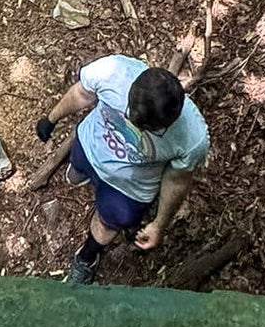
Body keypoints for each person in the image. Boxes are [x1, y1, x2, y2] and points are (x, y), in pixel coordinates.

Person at [35, 54, 209, 286]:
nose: (131, 122)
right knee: (77, 169)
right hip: (88, 146)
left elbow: (176, 180)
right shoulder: (113, 71)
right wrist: (51, 118)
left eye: (146, 127)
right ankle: (82, 174)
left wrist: (159, 224)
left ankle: (87, 257)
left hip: (128, 188)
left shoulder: (192, 138)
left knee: (109, 222)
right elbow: (82, 93)